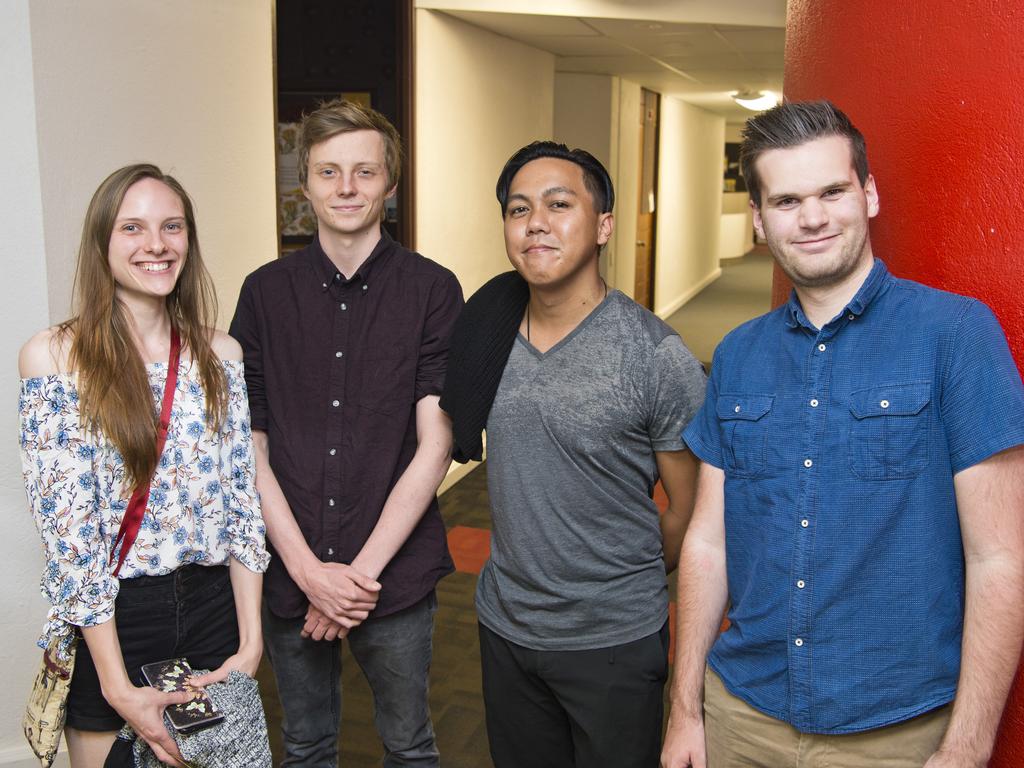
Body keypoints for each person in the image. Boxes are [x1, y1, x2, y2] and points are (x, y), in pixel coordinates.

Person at [661, 100, 1024, 768]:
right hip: (742, 718)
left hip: (895, 734)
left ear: (869, 193)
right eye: (788, 199)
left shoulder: (956, 336)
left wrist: (967, 747)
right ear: (761, 222)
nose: (814, 216)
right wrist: (685, 711)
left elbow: (999, 558)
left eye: (832, 190)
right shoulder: (737, 354)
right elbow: (707, 544)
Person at [440, 141, 706, 768]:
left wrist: (615, 581)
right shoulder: (486, 333)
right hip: (505, 626)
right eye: (518, 208)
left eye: (560, 204)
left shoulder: (655, 357)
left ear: (603, 226)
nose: (536, 222)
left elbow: (690, 514)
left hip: (613, 641)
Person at [229, 98, 462, 767]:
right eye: (329, 173)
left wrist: (351, 582)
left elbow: (435, 445)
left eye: (364, 171)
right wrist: (307, 572)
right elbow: (251, 445)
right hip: (288, 565)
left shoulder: (433, 290)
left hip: (394, 569)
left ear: (391, 183)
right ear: (305, 186)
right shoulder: (264, 294)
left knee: (410, 745)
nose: (347, 188)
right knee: (303, 746)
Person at [18, 164, 270, 768]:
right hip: (115, 621)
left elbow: (241, 506)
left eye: (171, 226)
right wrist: (114, 682)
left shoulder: (220, 354)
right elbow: (71, 540)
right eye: (133, 227)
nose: (156, 244)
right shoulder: (54, 358)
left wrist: (251, 642)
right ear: (102, 241)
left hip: (214, 611)